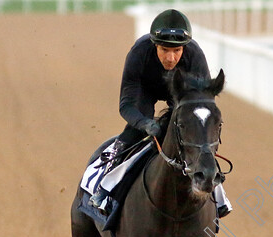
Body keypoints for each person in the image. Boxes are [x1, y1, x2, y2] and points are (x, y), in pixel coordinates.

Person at [89, 9, 231, 217]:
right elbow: (126, 105)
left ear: (185, 48)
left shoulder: (195, 55)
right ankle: (105, 187)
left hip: (182, 94)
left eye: (177, 51)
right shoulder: (139, 53)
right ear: (155, 44)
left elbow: (202, 103)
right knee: (135, 133)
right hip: (146, 91)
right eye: (165, 50)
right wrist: (146, 124)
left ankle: (218, 195)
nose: (171, 58)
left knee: (196, 136)